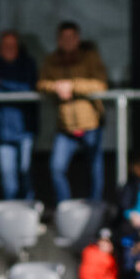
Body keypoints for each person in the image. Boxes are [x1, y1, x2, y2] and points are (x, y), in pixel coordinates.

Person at [37, 21, 108, 203]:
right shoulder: (51, 60)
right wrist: (56, 87)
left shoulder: (90, 57)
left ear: (78, 38)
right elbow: (41, 83)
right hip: (65, 125)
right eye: (64, 37)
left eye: (71, 37)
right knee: (56, 167)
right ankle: (65, 205)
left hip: (90, 123)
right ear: (58, 40)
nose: (67, 41)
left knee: (95, 167)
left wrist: (72, 86)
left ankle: (95, 205)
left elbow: (100, 84)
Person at [0, 30, 39, 200]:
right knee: (7, 175)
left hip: (24, 128)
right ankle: (11, 209)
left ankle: (28, 207)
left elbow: (28, 88)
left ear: (18, 47)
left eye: (12, 45)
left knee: (25, 171)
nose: (9, 48)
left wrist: (3, 84)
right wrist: (13, 89)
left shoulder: (27, 64)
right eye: (5, 45)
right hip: (1, 130)